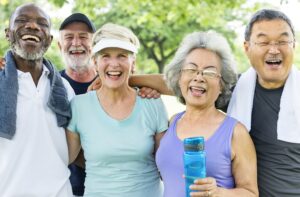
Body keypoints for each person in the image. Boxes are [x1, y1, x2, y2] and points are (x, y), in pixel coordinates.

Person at [66, 23, 168, 197]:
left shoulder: (152, 103)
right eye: (106, 56)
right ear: (95, 62)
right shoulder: (78, 106)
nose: (114, 64)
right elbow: (65, 157)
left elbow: (166, 165)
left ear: (133, 62)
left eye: (122, 56)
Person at [155, 31, 258, 197]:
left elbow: (251, 193)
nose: (199, 77)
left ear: (222, 85)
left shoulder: (236, 132)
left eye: (209, 72)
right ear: (179, 77)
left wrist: (218, 192)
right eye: (191, 69)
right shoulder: (173, 121)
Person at [0, 3, 74, 196]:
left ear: (49, 40)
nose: (32, 26)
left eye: (42, 23)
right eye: (22, 20)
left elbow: (77, 145)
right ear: (8, 33)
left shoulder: (65, 88)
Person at [227, 9, 300, 196]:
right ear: (247, 48)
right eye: (264, 42)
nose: (274, 49)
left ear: (294, 45)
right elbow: (182, 82)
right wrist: (140, 83)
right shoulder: (234, 89)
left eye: (283, 41)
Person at [58, 12, 97, 197]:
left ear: (94, 45)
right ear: (59, 45)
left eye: (83, 37)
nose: (76, 43)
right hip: (64, 189)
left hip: (107, 186)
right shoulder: (50, 84)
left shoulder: (112, 83)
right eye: (69, 37)